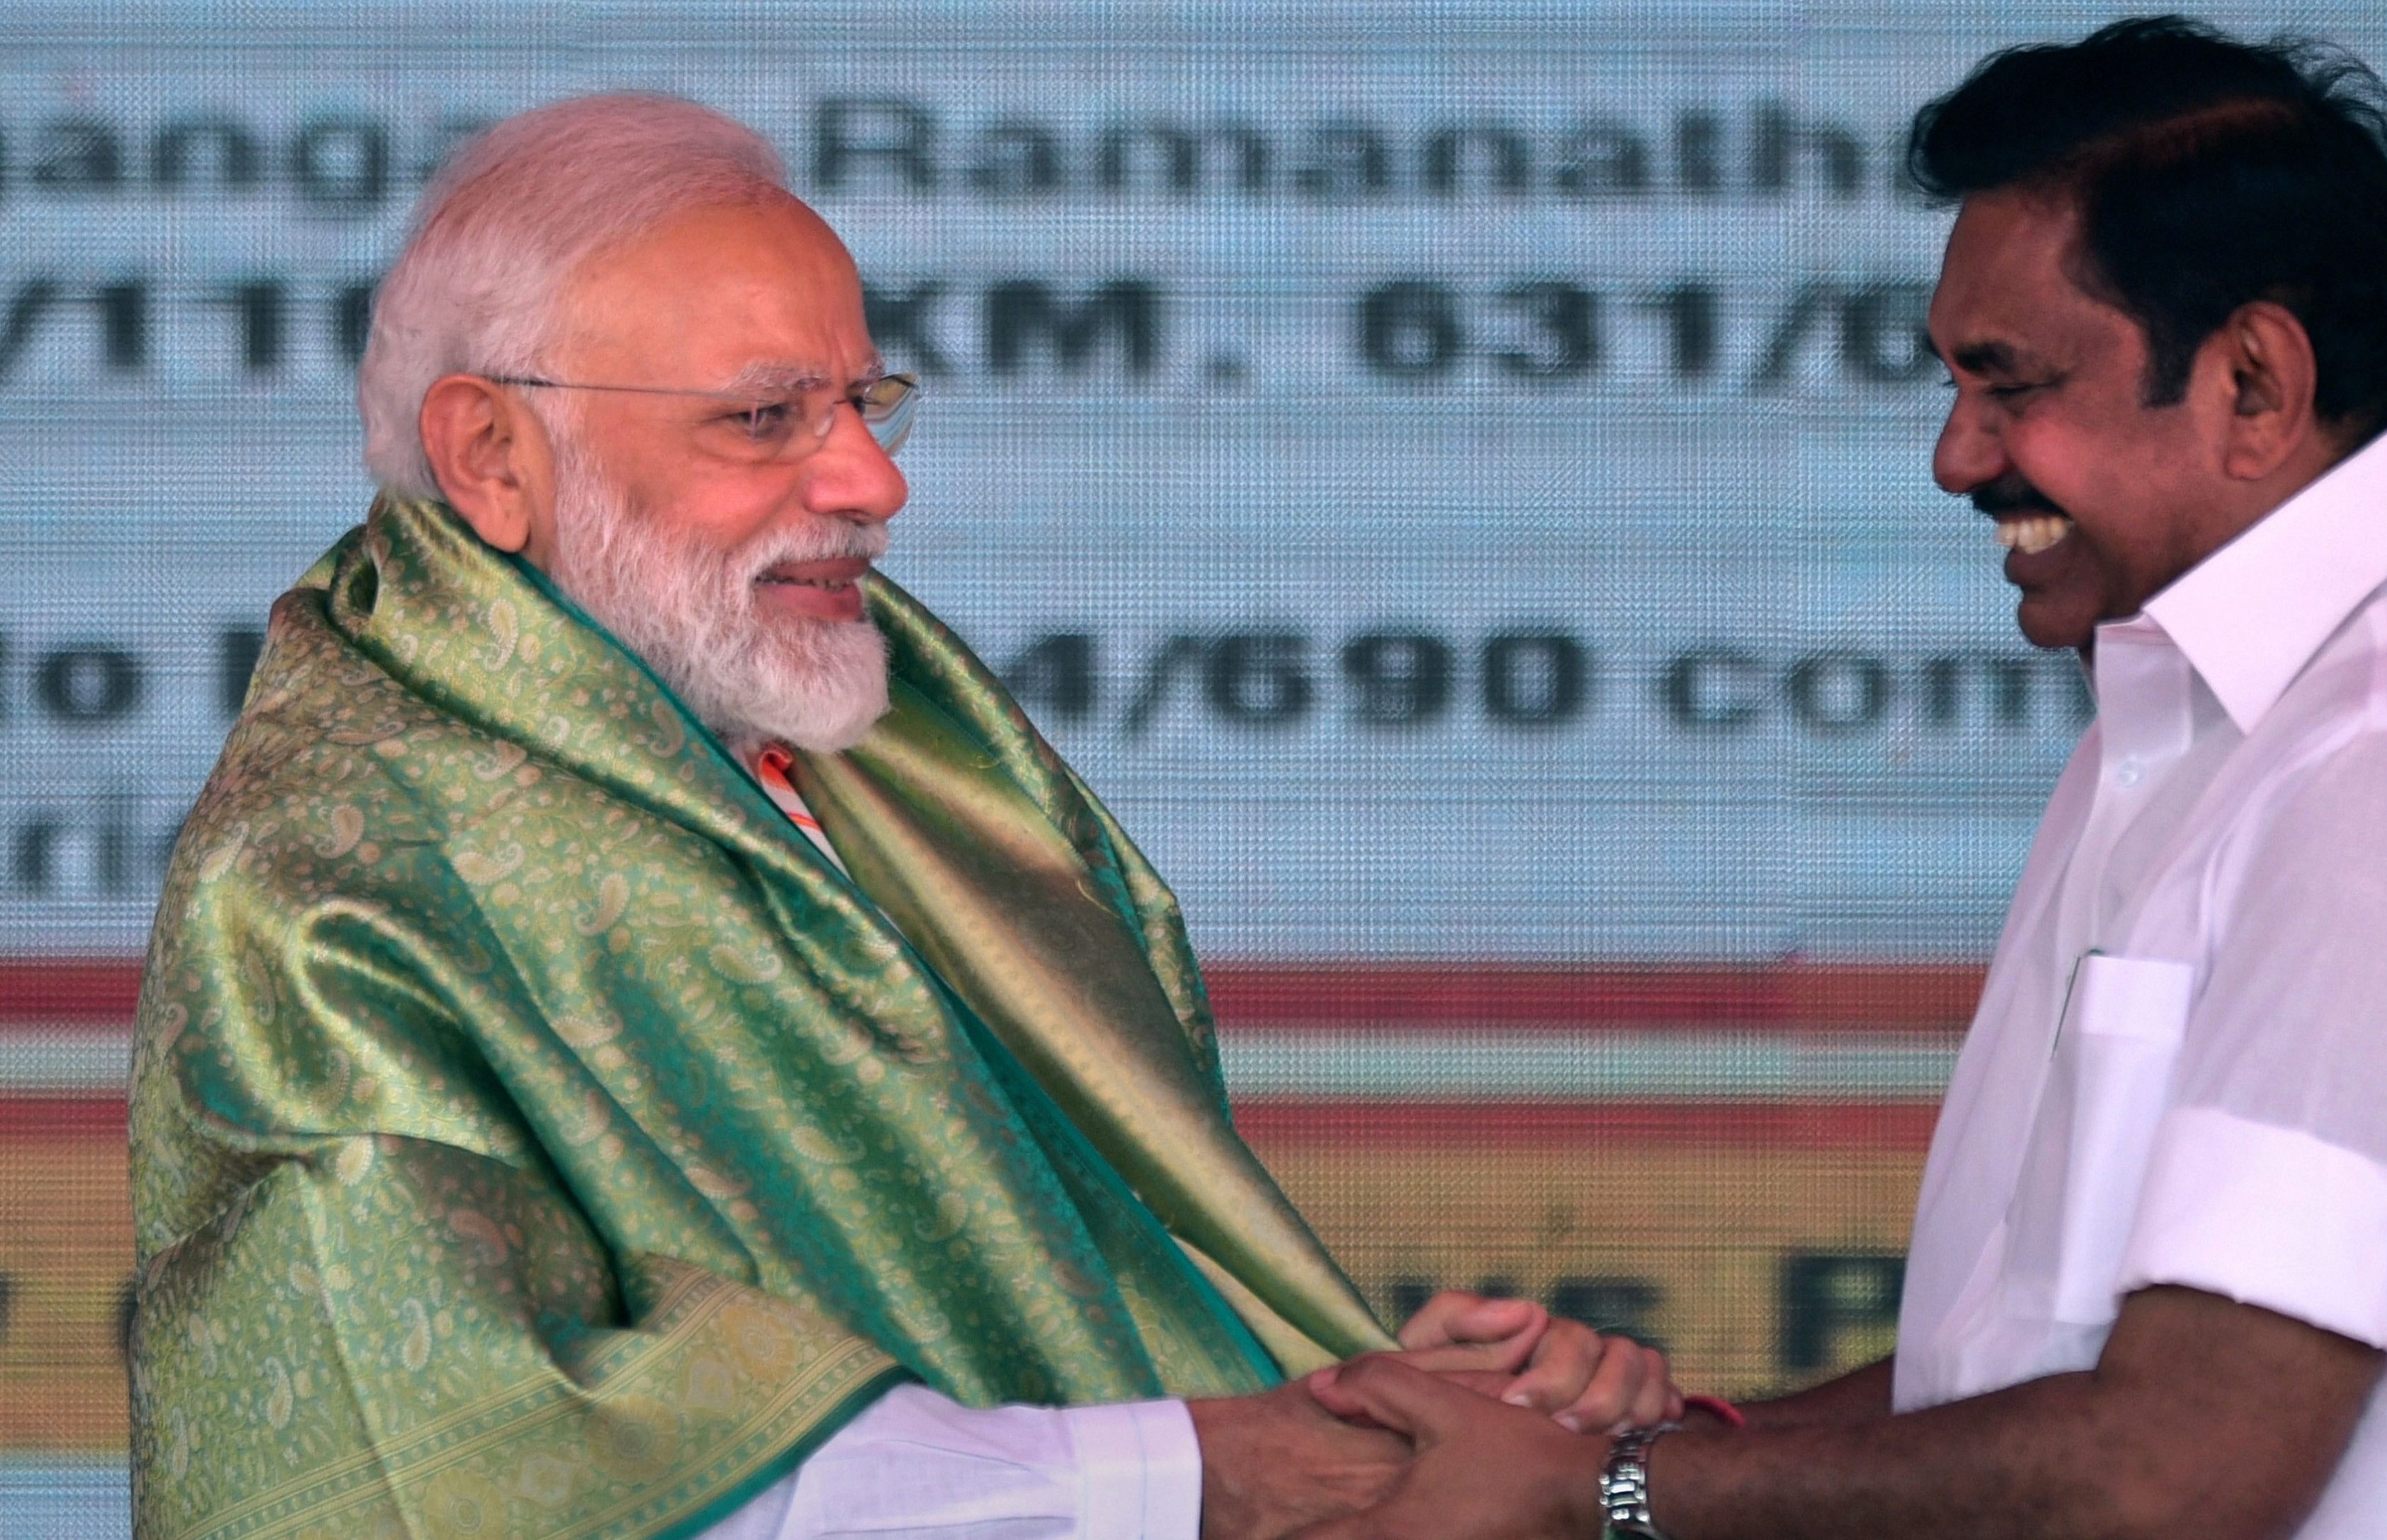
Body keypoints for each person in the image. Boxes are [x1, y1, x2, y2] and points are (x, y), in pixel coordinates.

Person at [126, 95, 1678, 1540]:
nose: (873, 480)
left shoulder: (897, 754)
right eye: (764, 417)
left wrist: (1376, 1398)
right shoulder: (336, 873)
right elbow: (463, 1462)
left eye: (867, 402)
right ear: (493, 456)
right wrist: (1207, 1472)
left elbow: (1046, 1304)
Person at [1300, 18, 2387, 1539]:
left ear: (2254, 379)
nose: (1954, 454)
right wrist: (1664, 1436)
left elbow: (2174, 1469)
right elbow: (2029, 1369)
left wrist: (1604, 1498)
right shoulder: (2205, 705)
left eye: (2009, 383)